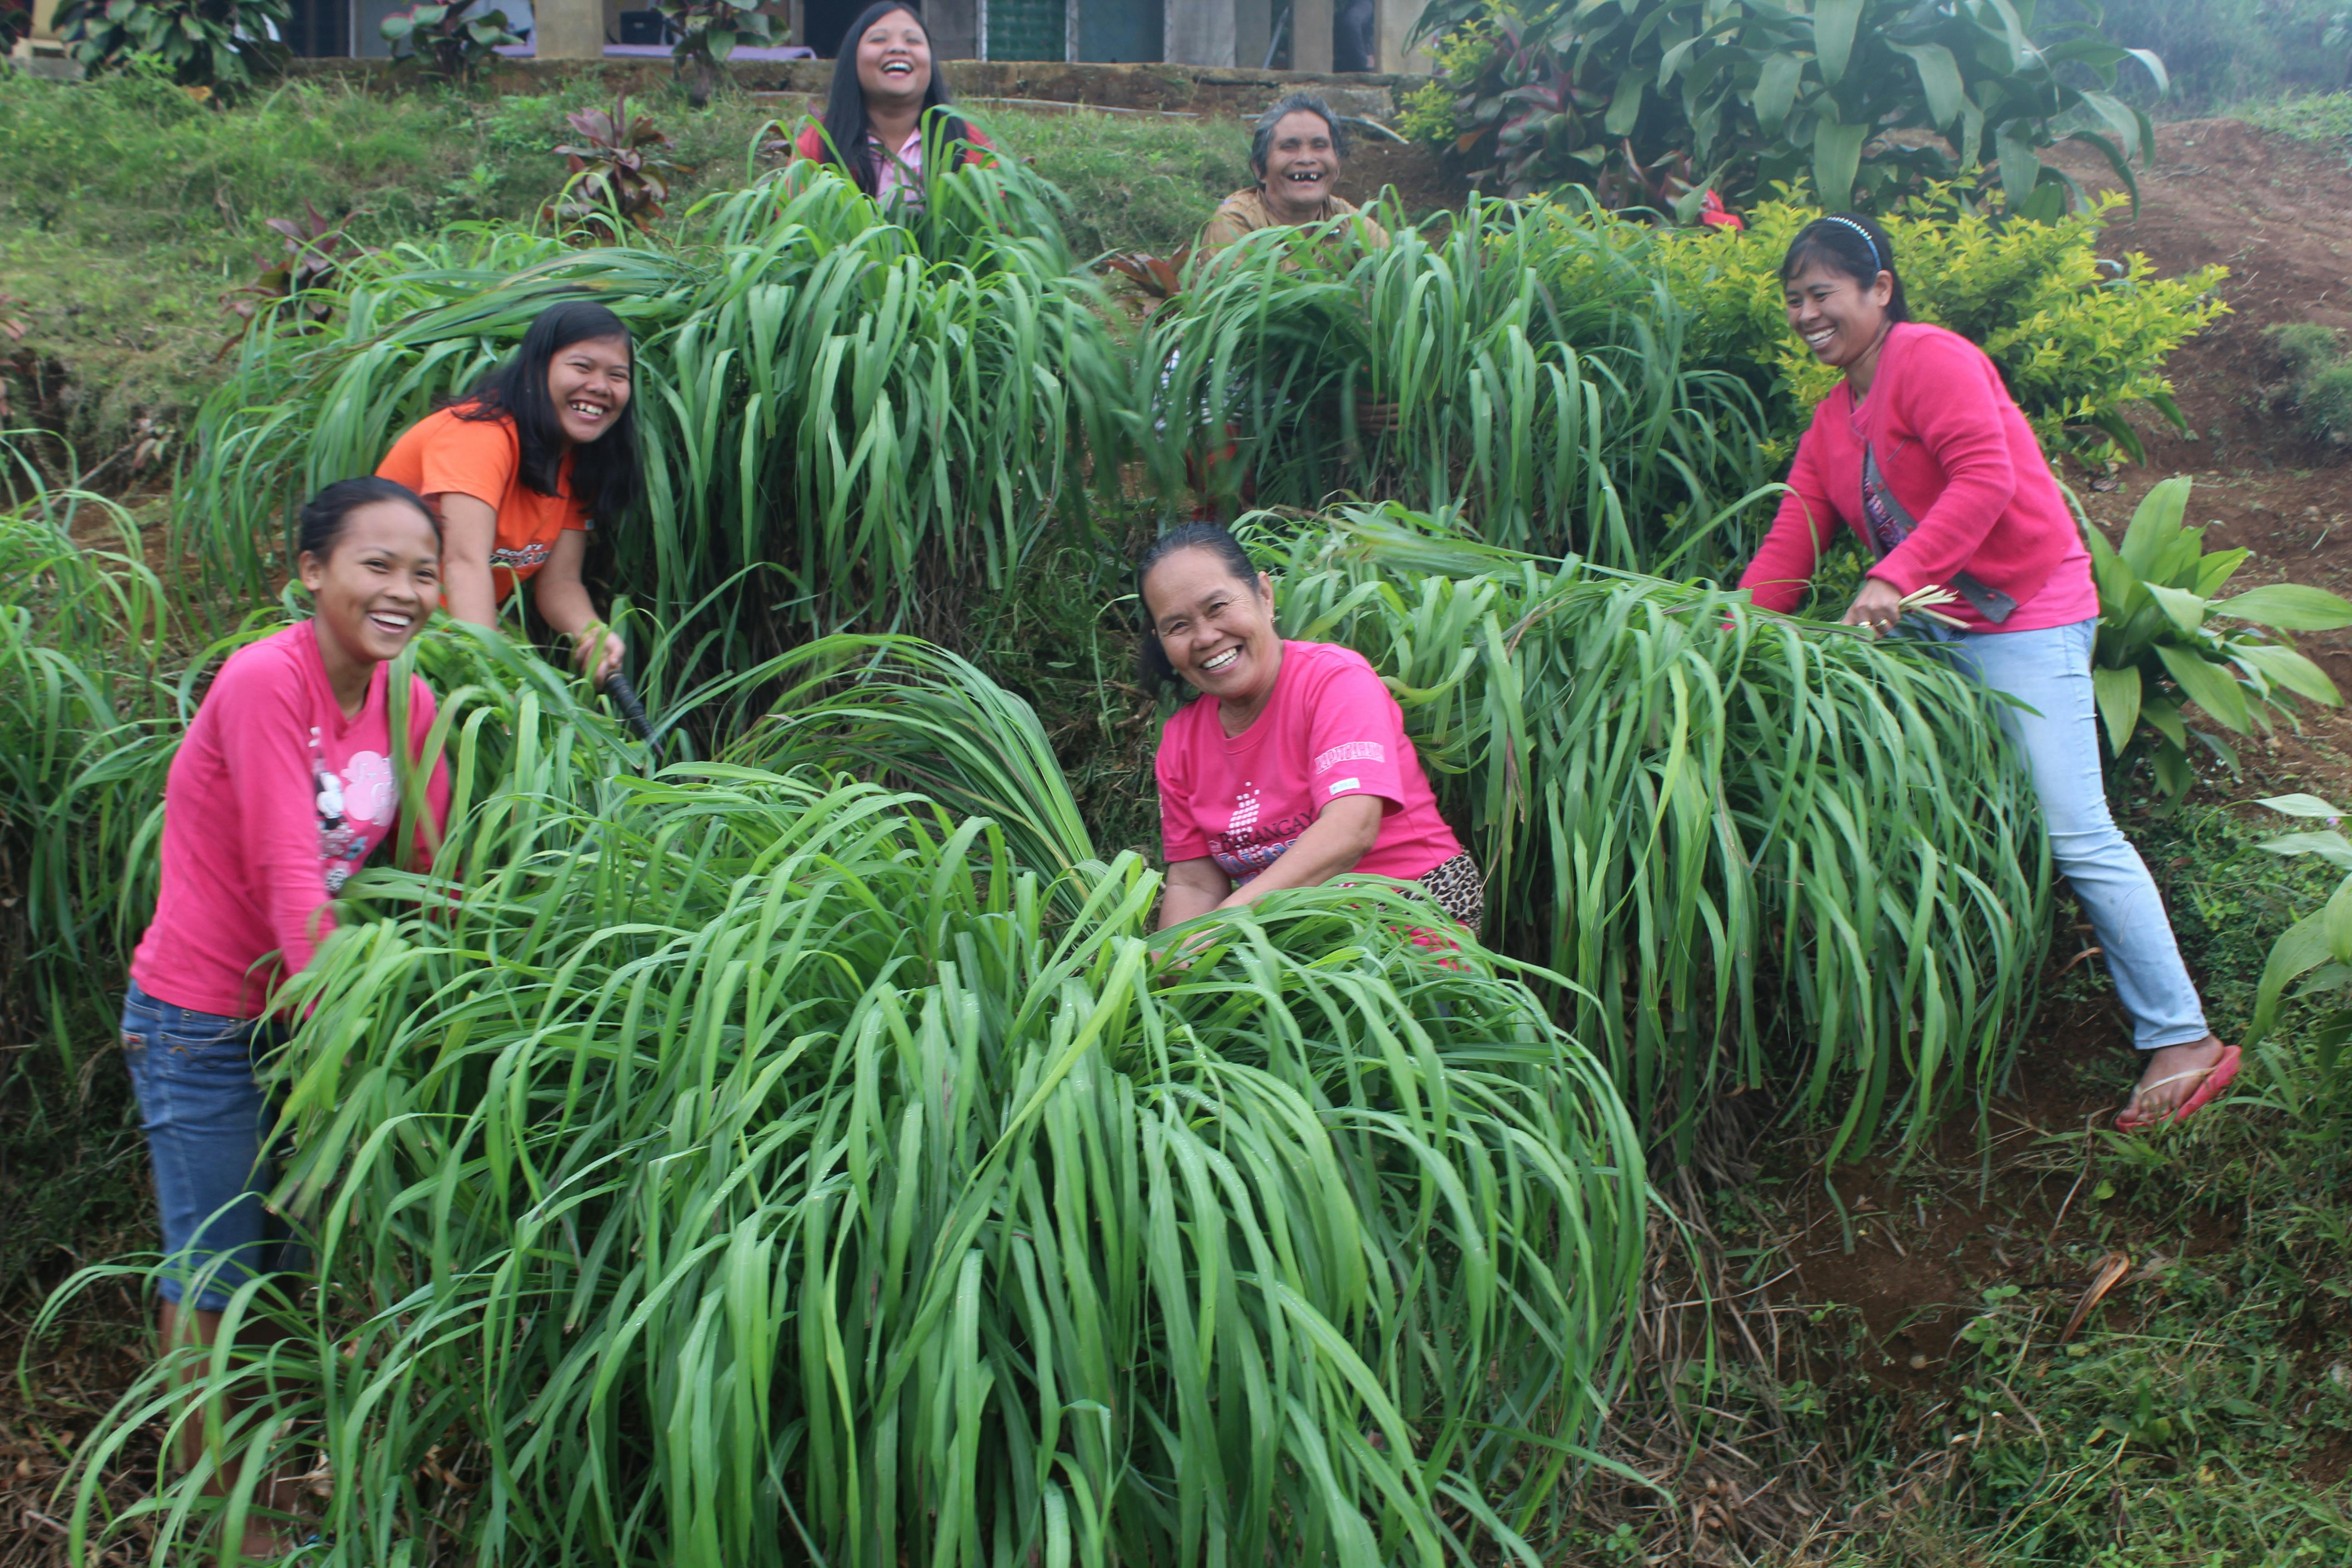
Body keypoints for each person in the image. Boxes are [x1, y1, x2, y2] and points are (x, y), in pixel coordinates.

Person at [1738, 211, 2236, 1133]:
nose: (1808, 313)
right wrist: (1727, 630)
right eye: (1796, 299)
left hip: (2027, 610)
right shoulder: (1831, 417)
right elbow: (1795, 536)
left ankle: (2183, 1038)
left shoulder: (1933, 359)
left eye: (1824, 293)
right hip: (1938, 621)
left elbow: (1987, 482)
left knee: (2074, 828)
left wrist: (1890, 576)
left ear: (1879, 289)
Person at [122, 476, 453, 1557]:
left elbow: (426, 875)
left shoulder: (409, 699)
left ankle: (275, 1455)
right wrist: (350, 1033)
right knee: (214, 1257)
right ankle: (215, 1508)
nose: (403, 589)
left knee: (291, 1255)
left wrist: (454, 1008)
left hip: (307, 1016)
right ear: (312, 571)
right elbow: (284, 866)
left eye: (422, 569)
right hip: (204, 1014)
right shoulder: (268, 677)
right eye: (376, 564)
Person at [1139, 523, 1483, 935]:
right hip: (1289, 935)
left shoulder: (1334, 682)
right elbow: (1193, 883)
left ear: (1264, 596)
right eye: (1178, 627)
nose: (1206, 636)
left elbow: (1350, 830)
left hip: (1409, 909)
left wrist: (1219, 931)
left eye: (1217, 607)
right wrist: (1168, 971)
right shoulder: (1180, 744)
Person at [376, 298, 640, 686]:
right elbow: (465, 561)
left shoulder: (574, 463)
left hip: (452, 640)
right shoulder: (481, 438)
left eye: (618, 375)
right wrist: (491, 678)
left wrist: (591, 634)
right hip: (392, 638)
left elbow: (559, 584)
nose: (600, 387)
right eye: (582, 367)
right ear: (536, 369)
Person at [789, 2, 994, 206]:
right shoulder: (821, 141)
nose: (898, 48)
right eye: (879, 39)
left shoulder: (965, 140)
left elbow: (998, 217)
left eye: (913, 40)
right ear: (852, 59)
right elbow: (793, 217)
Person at [1196, 93, 1389, 261]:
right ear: (1260, 169)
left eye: (1320, 145)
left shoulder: (1350, 223)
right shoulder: (1236, 222)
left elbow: (1398, 277)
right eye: (1289, 146)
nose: (1306, 159)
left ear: (1337, 166)